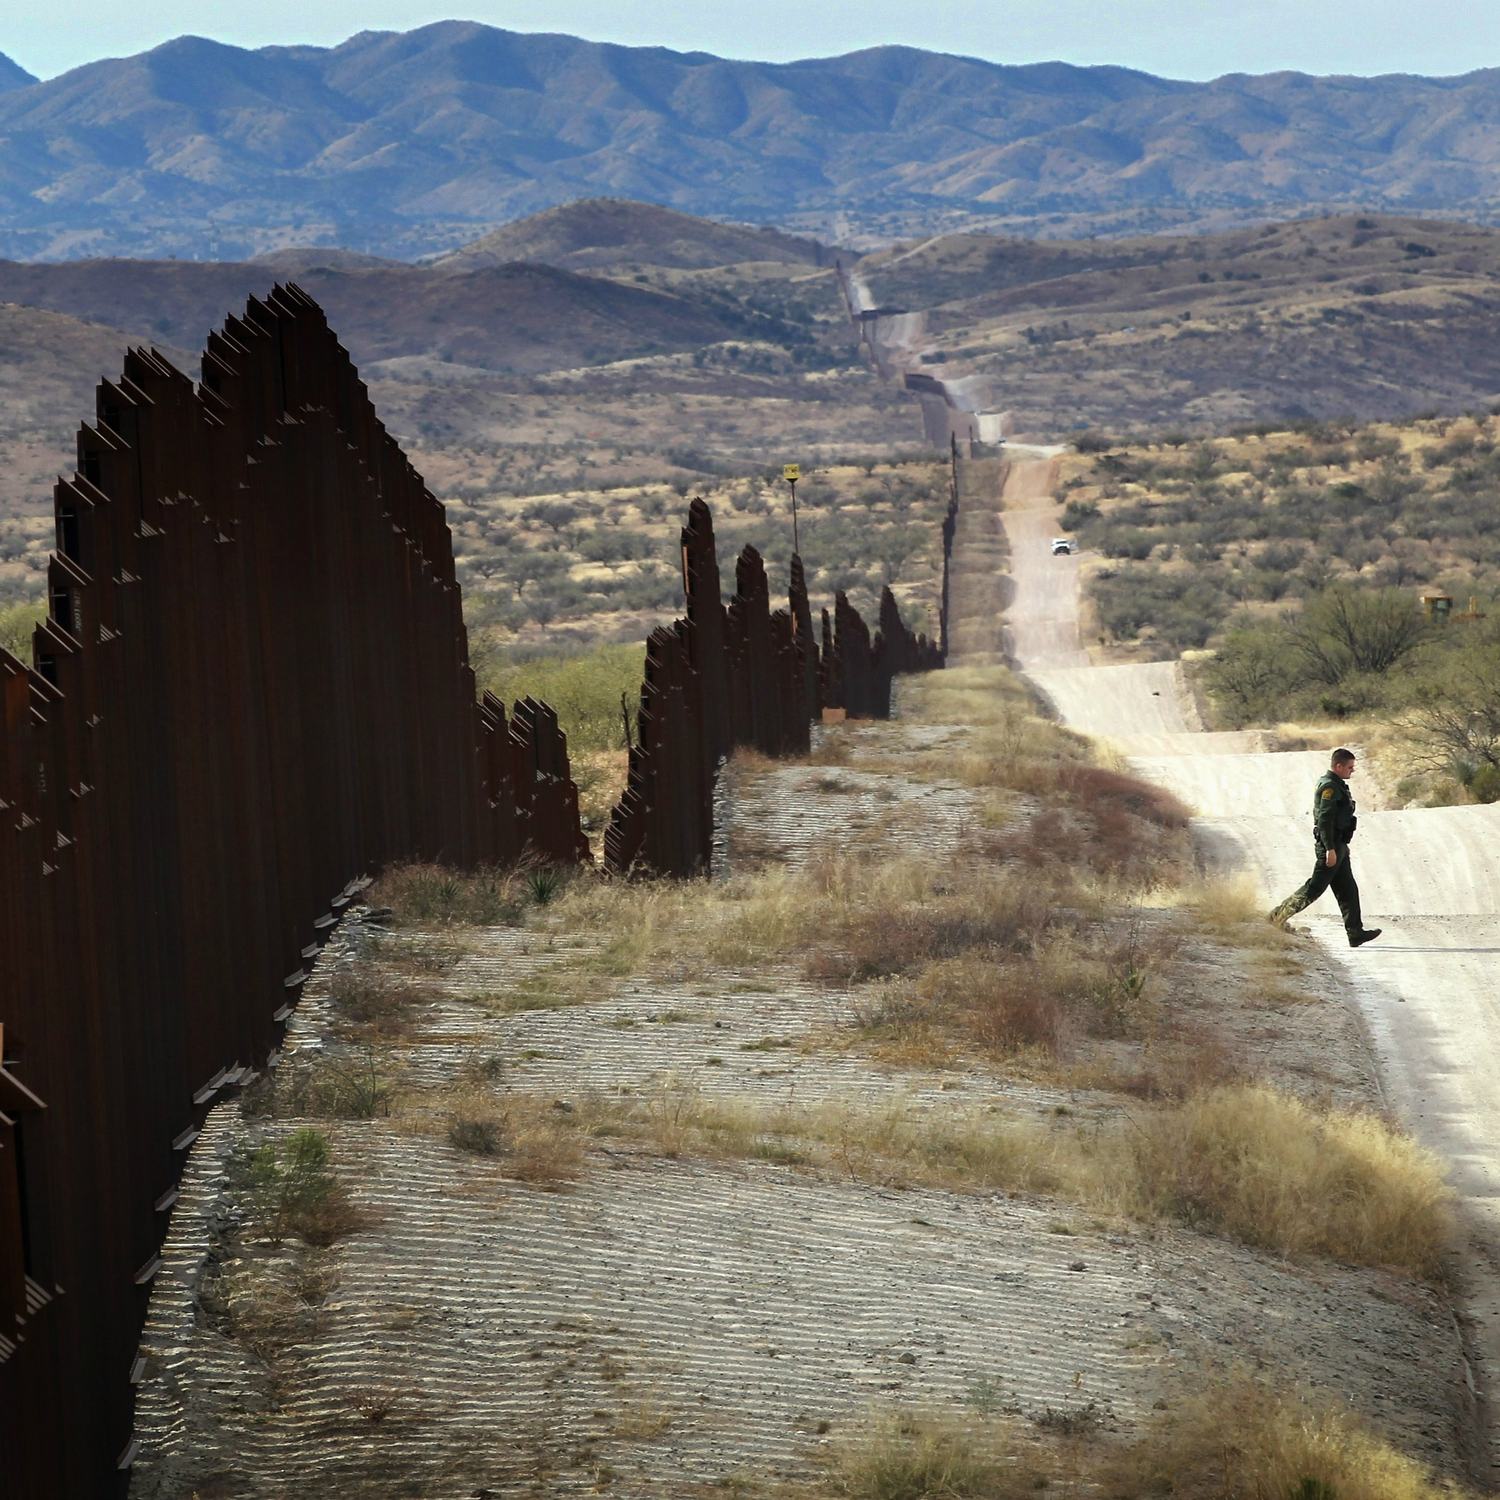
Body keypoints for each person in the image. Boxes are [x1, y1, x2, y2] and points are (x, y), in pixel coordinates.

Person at [1269, 748, 1381, 947]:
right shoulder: (1329, 787)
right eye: (1349, 767)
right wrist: (1330, 849)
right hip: (1331, 847)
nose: (1352, 771)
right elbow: (1324, 821)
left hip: (1340, 846)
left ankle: (1355, 933)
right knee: (1314, 888)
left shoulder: (1337, 785)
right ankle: (1276, 916)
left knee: (1348, 890)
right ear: (1338, 766)